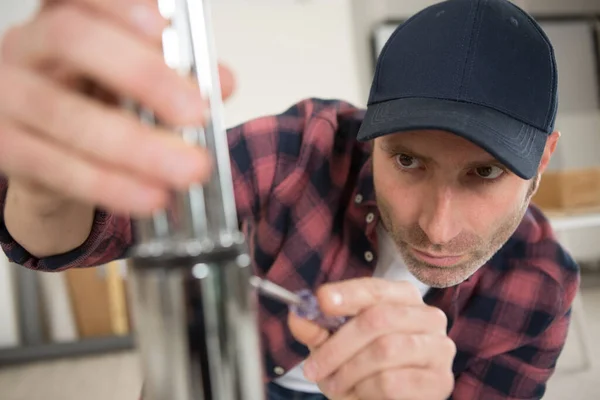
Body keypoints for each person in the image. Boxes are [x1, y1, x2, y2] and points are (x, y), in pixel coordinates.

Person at [0, 0, 580, 398]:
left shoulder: (540, 286)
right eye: (407, 161)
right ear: (369, 131)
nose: (436, 227)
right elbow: (74, 234)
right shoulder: (298, 151)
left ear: (543, 157)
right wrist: (43, 180)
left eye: (484, 173)